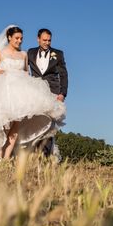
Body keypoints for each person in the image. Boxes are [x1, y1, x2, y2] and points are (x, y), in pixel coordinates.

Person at [0, 25, 66, 163]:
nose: (19, 41)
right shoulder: (1, 53)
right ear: (9, 37)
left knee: (16, 126)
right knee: (2, 126)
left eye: (21, 38)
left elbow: (26, 73)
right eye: (16, 38)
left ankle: (7, 159)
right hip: (5, 92)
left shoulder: (25, 54)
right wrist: (3, 72)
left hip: (20, 95)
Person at [27, 29, 68, 158]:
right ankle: (35, 153)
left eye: (49, 40)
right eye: (44, 40)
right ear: (38, 39)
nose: (47, 42)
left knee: (49, 124)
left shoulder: (58, 54)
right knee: (36, 123)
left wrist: (62, 93)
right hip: (36, 92)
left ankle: (46, 156)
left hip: (53, 92)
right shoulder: (30, 52)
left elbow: (64, 74)